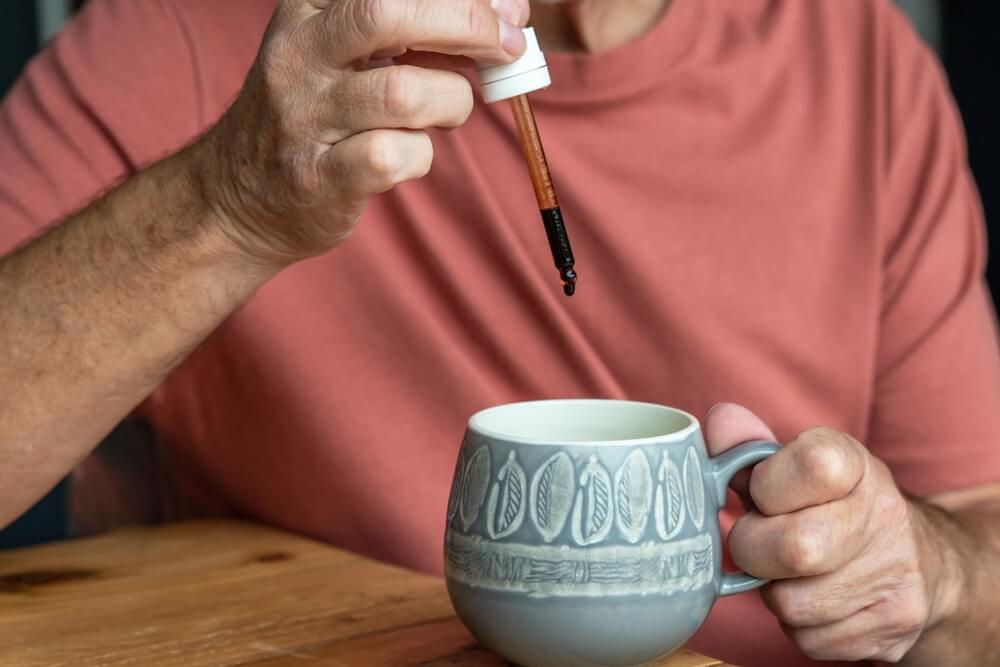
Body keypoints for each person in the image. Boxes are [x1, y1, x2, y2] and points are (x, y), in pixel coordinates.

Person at [1, 0, 998, 663]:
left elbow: (979, 538)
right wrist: (226, 201)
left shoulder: (859, 57)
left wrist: (927, 569)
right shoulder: (188, 41)